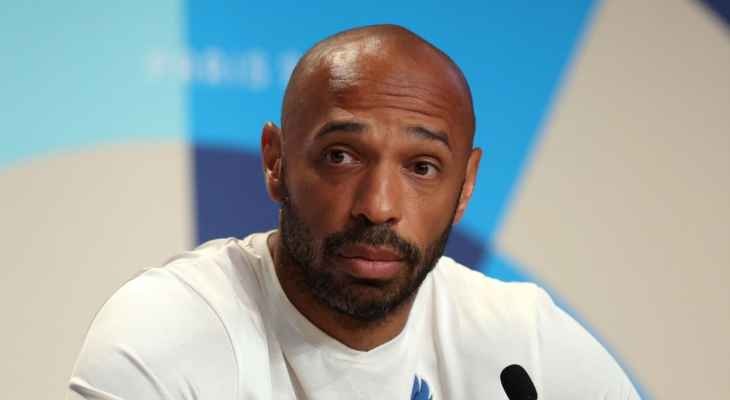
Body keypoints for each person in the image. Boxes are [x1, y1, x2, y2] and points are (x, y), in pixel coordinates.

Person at [68, 25, 639, 399]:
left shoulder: (527, 350)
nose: (378, 206)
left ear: (465, 186)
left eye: (422, 167)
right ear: (276, 161)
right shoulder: (170, 330)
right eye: (341, 156)